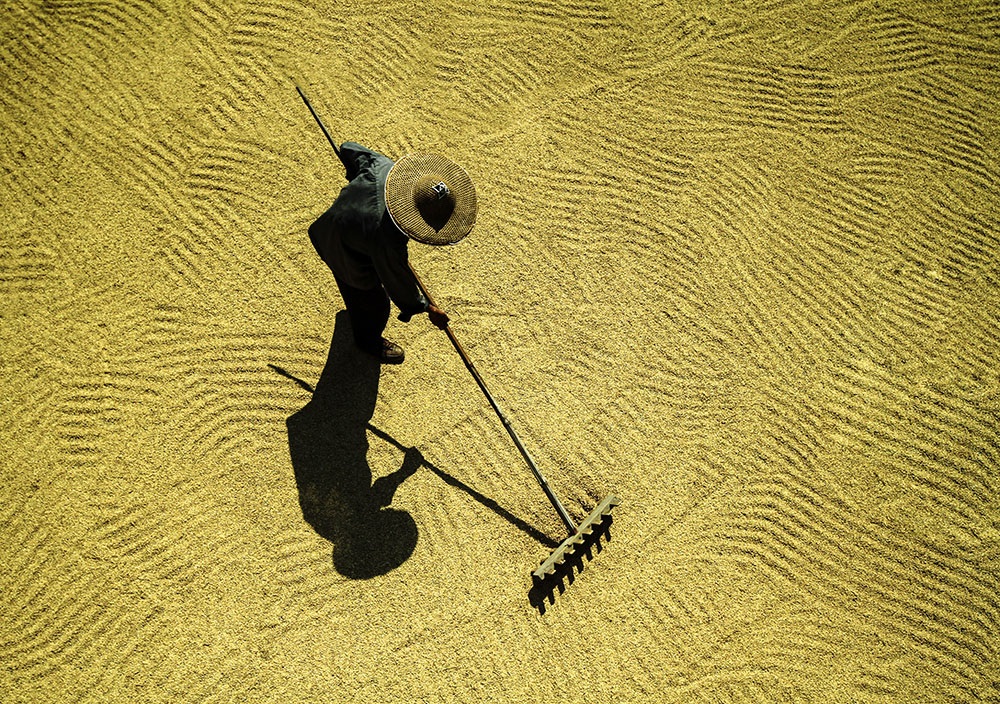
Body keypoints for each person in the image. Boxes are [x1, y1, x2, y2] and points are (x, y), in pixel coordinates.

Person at [308, 142, 477, 363]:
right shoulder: (387, 237)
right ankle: (367, 340)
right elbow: (397, 281)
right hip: (339, 246)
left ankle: (356, 308)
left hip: (332, 227)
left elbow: (349, 148)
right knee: (375, 303)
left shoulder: (384, 167)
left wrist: (357, 180)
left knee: (354, 289)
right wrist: (425, 307)